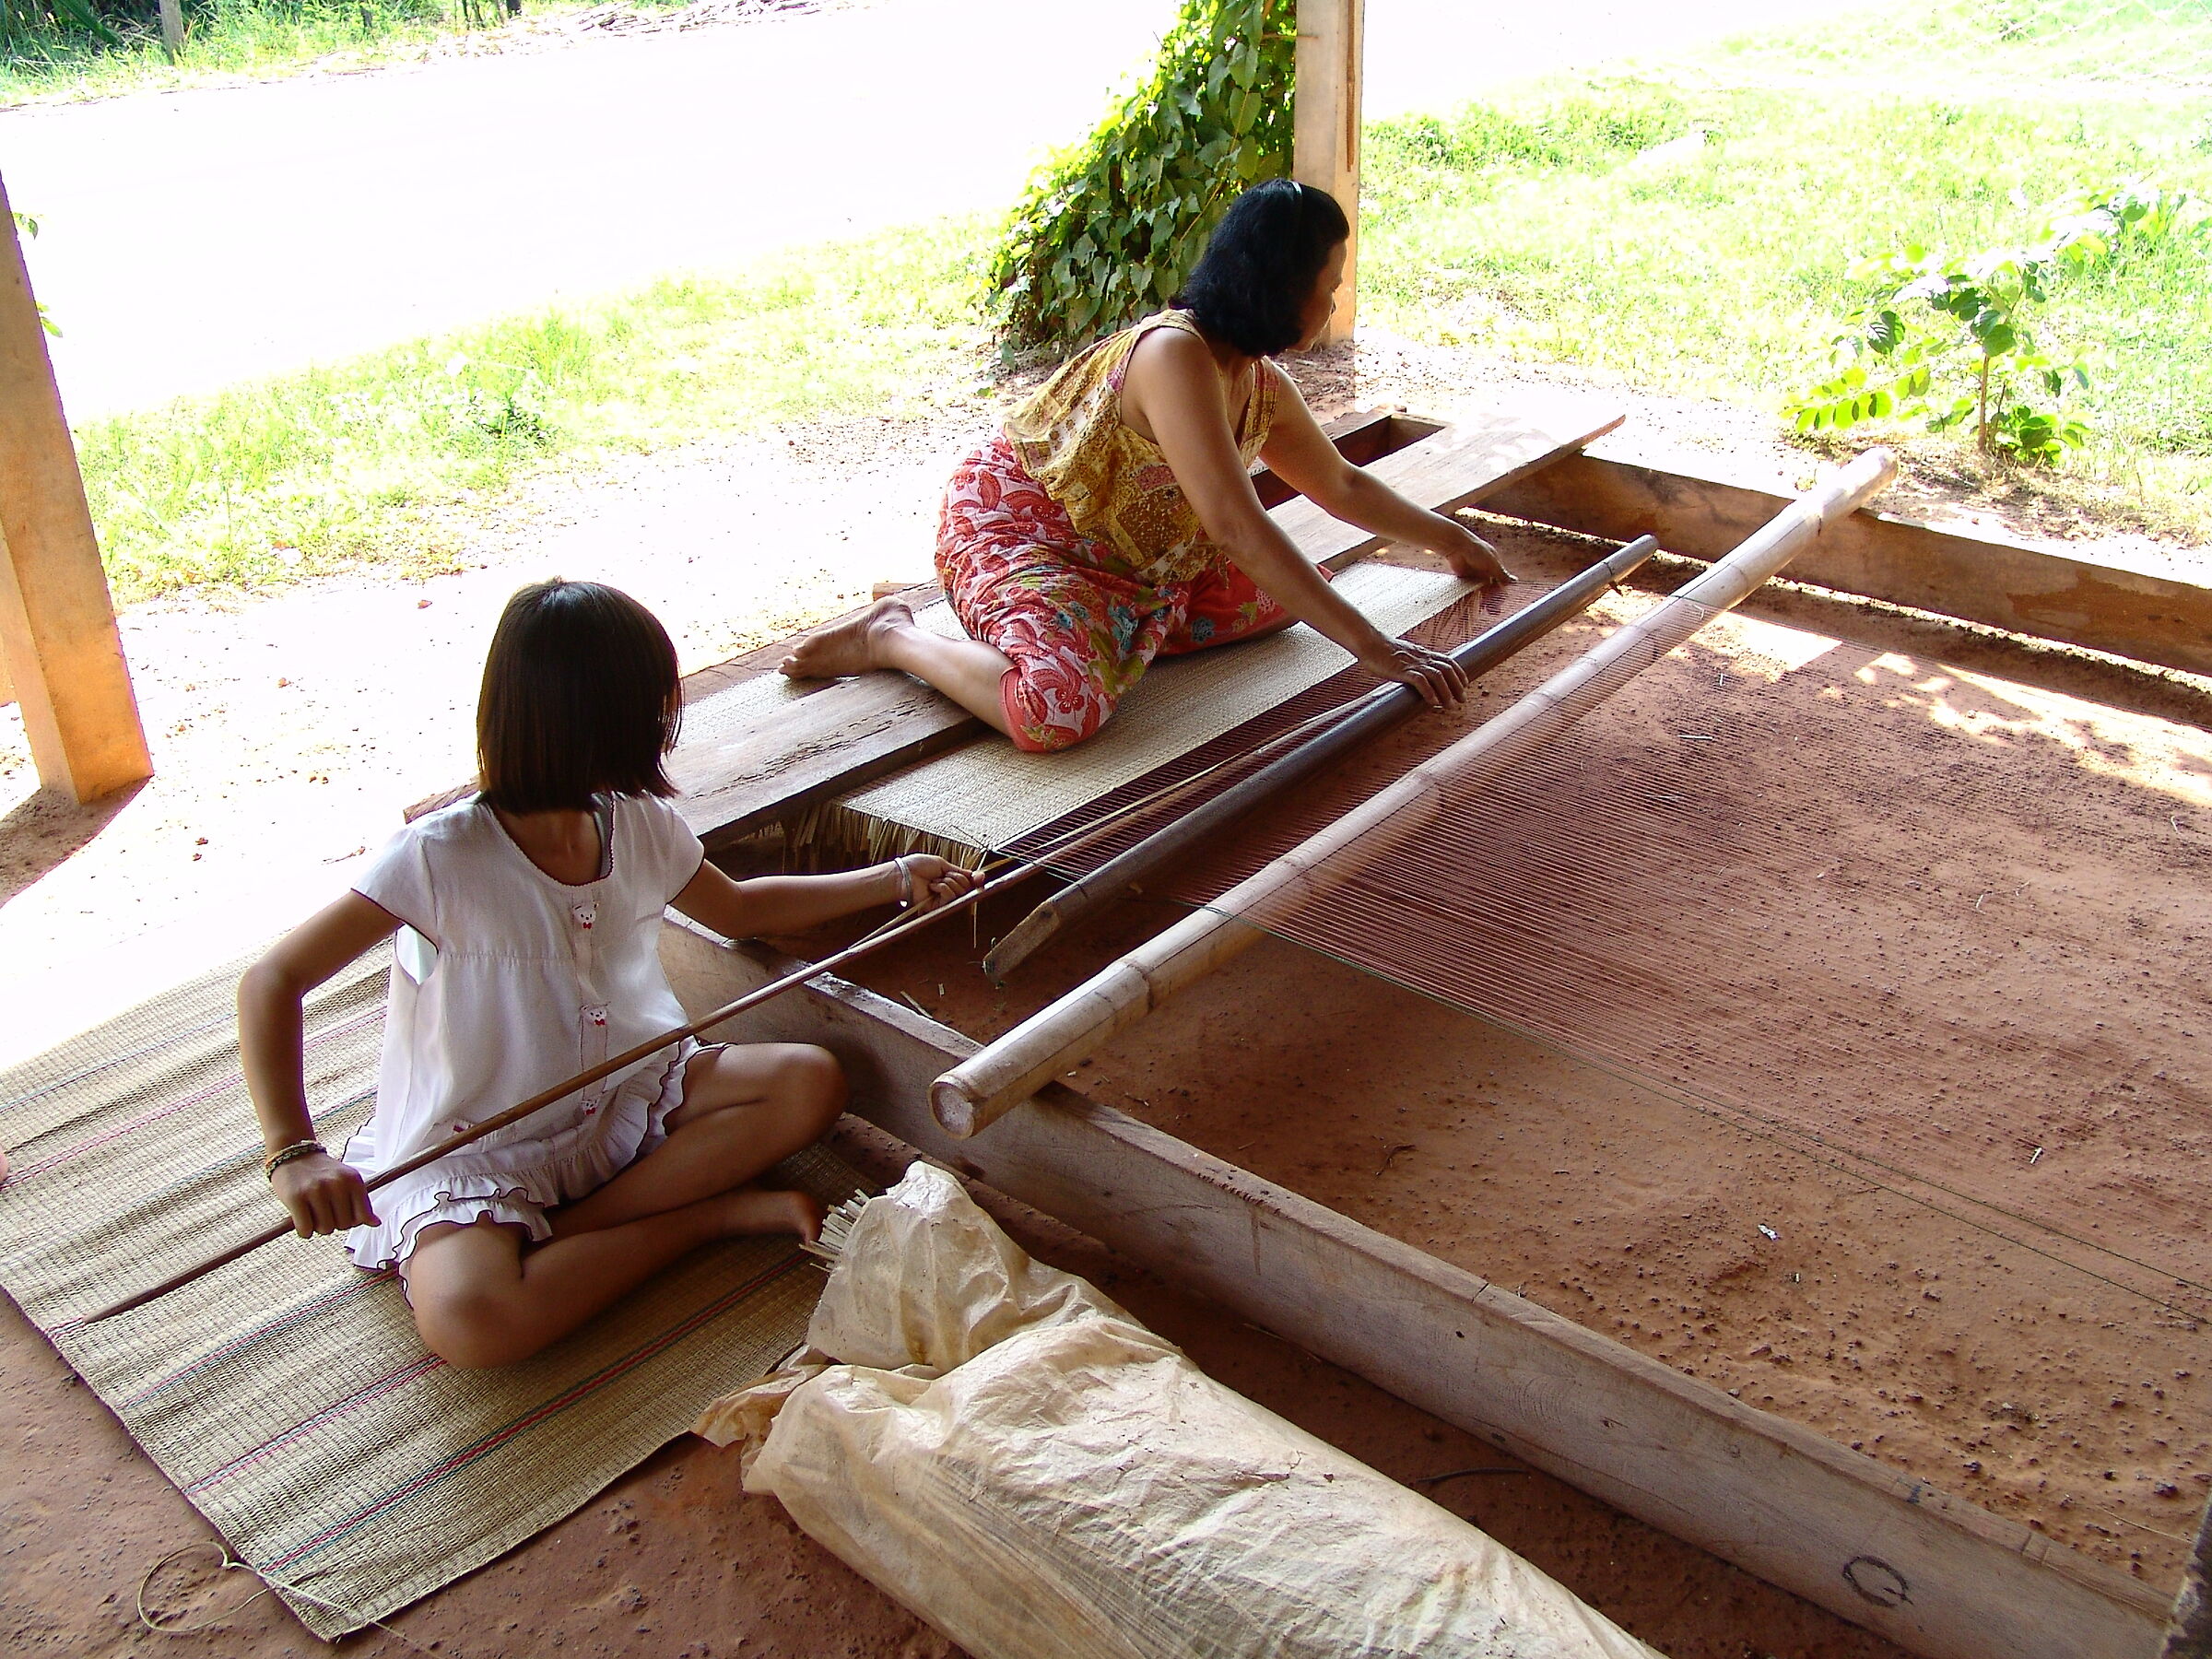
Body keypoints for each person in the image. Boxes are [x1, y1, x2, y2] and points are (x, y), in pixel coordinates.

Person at [238, 580, 974, 1370]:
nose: (663, 726)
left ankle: (566, 1234)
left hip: (626, 1092)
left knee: (808, 1082)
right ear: (592, 723)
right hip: (475, 1148)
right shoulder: (439, 857)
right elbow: (272, 981)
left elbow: (737, 909)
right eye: (651, 710)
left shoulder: (635, 823)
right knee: (473, 1322)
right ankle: (705, 1219)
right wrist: (294, 1152)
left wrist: (895, 879)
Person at [779, 178, 1516, 753]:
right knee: (1054, 713)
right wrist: (1373, 647)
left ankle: (1107, 632)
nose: (1331, 305)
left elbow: (1342, 485)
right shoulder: (1174, 355)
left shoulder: (1258, 382)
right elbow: (1234, 526)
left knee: (1291, 598)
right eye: (1325, 288)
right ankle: (891, 636)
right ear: (1279, 287)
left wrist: (1454, 540)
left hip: (1134, 566)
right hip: (1024, 535)